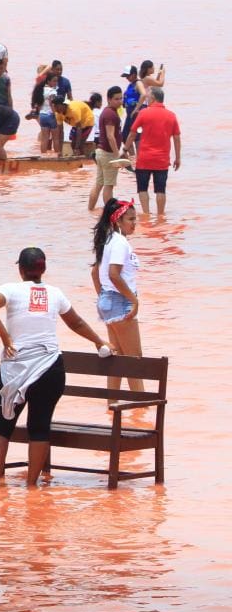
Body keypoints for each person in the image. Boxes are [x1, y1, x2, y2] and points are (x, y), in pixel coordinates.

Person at [0, 247, 109, 487]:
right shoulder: (55, 293)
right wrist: (99, 341)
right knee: (39, 426)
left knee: (0, 426)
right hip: (50, 369)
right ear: (44, 270)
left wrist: (6, 338)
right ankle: (32, 485)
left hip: (15, 371)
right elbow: (77, 322)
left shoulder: (9, 289)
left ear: (20, 269)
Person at [91, 199, 144, 395]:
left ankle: (112, 403)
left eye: (135, 218)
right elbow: (114, 274)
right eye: (130, 219)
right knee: (134, 359)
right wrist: (134, 300)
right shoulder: (120, 242)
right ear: (117, 221)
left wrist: (103, 298)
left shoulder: (108, 240)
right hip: (120, 301)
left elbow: (95, 273)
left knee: (117, 357)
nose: (134, 223)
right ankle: (141, 405)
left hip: (109, 300)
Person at [126, 88, 181, 218]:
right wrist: (178, 158)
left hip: (144, 158)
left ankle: (146, 215)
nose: (147, 98)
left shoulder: (144, 113)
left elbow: (132, 133)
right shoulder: (171, 115)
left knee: (142, 188)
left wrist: (124, 149)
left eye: (148, 96)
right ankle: (160, 216)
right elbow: (177, 138)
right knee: (161, 190)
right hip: (162, 160)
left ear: (154, 98)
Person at [89, 86, 126, 210]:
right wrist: (117, 155)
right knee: (108, 185)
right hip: (108, 154)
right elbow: (110, 136)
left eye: (121, 98)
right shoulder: (110, 114)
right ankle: (110, 214)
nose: (120, 101)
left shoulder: (108, 111)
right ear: (109, 99)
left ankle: (90, 210)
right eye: (116, 99)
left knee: (99, 184)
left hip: (101, 152)